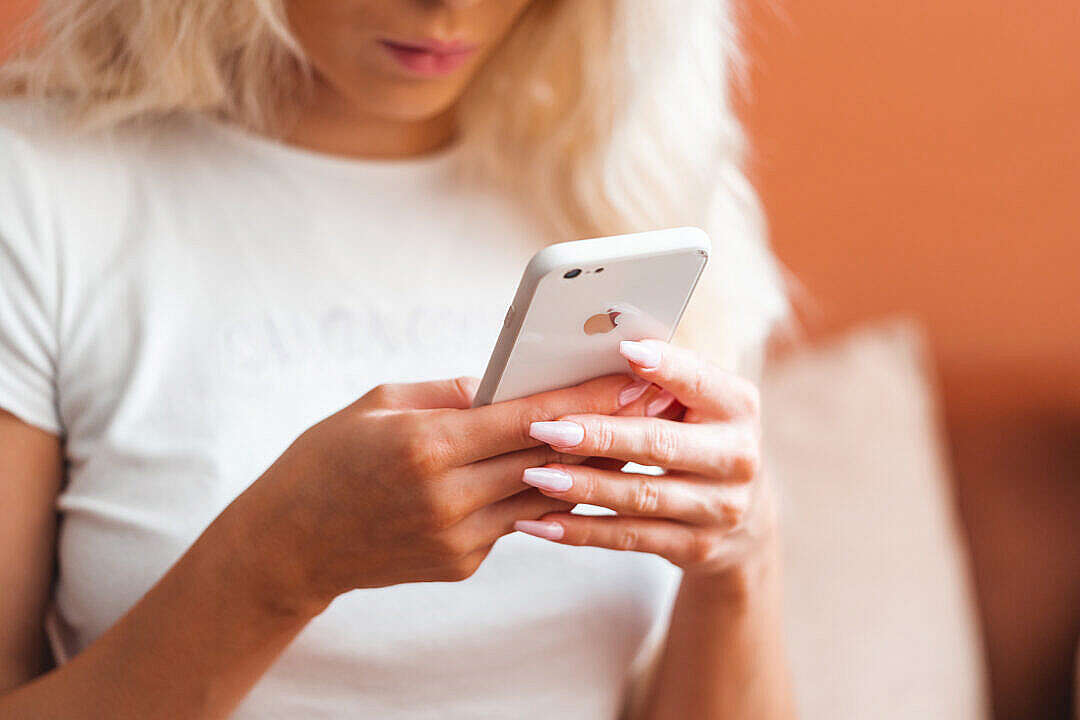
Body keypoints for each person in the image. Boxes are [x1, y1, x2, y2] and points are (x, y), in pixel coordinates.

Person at [0, 1, 793, 717]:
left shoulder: (638, 193)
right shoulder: (39, 200)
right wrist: (282, 562)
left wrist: (742, 558)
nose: (446, 7)